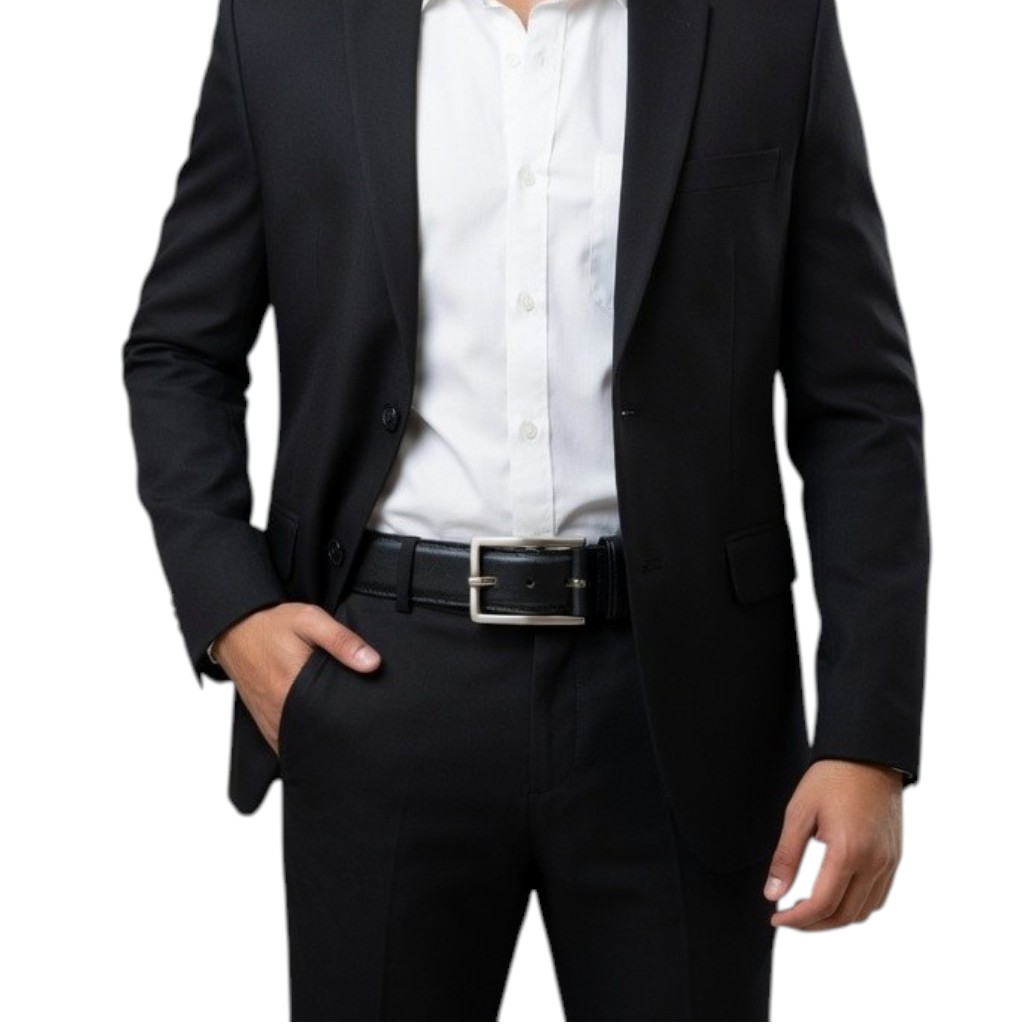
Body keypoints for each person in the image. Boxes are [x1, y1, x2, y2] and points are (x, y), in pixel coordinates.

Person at [122, 0, 930, 1019]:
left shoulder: (767, 23)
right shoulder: (286, 23)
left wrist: (866, 734)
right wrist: (232, 610)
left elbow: (858, 404)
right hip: (383, 681)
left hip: (681, 700)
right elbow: (179, 351)